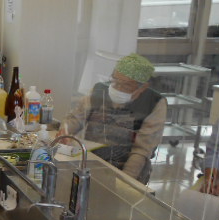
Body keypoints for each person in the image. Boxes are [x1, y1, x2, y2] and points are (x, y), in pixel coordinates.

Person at [57, 53, 166, 184]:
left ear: (143, 87)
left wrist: (125, 181)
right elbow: (75, 118)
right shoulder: (99, 91)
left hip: (128, 169)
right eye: (115, 81)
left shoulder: (154, 103)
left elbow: (141, 150)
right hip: (92, 163)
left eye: (126, 85)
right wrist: (65, 131)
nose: (118, 88)